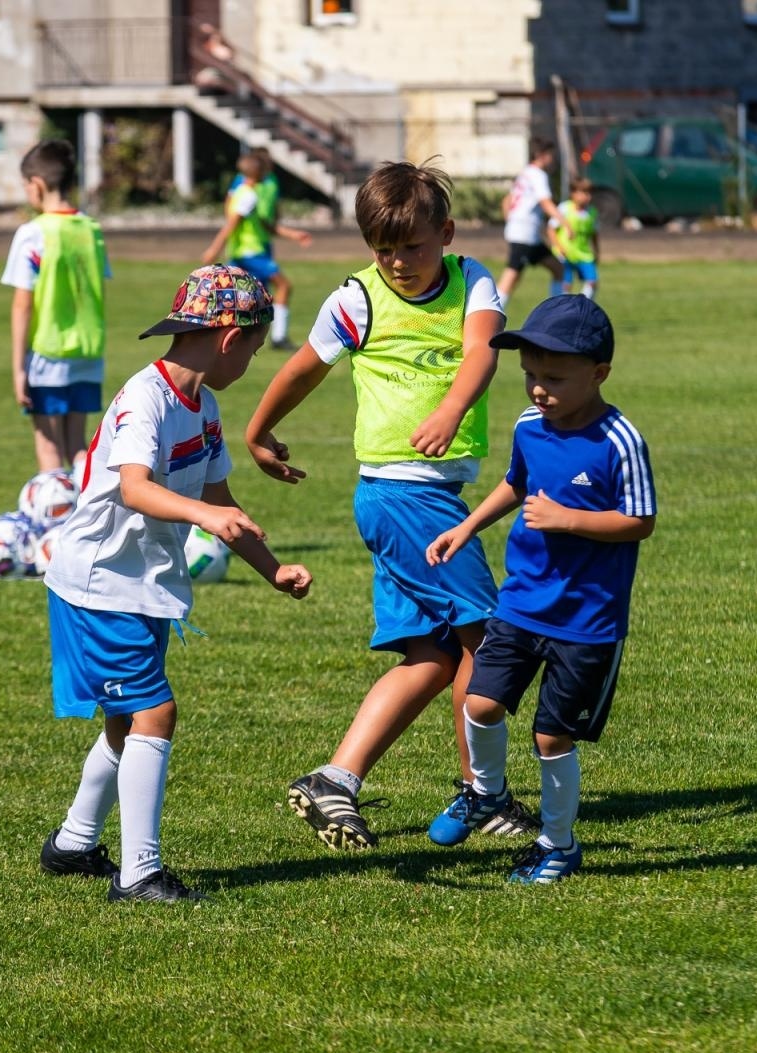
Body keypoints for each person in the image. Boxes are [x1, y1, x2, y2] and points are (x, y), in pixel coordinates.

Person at [246, 160, 515, 851]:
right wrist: (258, 431)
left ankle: (335, 779)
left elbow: (482, 353)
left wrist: (453, 407)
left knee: (432, 658)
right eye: (383, 248)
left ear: (446, 234)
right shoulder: (356, 299)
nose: (397, 262)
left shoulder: (473, 282)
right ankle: (483, 795)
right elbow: (304, 366)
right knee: (485, 643)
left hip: (420, 496)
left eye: (412, 246)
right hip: (403, 494)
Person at [39, 265, 313, 902]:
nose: (250, 360)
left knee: (125, 721)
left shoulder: (204, 408)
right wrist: (204, 517)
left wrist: (273, 569)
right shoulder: (146, 399)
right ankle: (140, 874)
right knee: (155, 713)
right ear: (229, 338)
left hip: (141, 586)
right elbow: (136, 488)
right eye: (253, 348)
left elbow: (220, 500)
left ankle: (73, 843)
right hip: (99, 582)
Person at [426, 295, 655, 883]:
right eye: (530, 374)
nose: (537, 389)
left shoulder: (620, 440)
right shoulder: (529, 426)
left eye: (554, 378)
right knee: (480, 704)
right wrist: (467, 526)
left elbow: (640, 521)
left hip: (587, 621)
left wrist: (569, 520)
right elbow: (515, 483)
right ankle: (485, 792)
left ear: (598, 373)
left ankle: (557, 844)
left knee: (551, 738)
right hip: (521, 603)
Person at [3, 140, 110, 475]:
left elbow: (22, 304)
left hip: (48, 352)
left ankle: (55, 507)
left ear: (37, 184)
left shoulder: (33, 233)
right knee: (77, 444)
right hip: (89, 351)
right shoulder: (91, 229)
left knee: (48, 444)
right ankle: (90, 504)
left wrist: (18, 368)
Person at [200, 153, 311, 350]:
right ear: (259, 172)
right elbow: (232, 224)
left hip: (247, 252)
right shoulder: (248, 196)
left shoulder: (242, 193)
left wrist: (293, 235)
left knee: (245, 298)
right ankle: (278, 338)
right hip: (250, 252)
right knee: (283, 286)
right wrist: (214, 249)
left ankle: (229, 338)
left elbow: (264, 225)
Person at [497, 138, 566, 310]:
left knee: (558, 268)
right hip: (524, 234)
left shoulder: (525, 173)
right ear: (541, 155)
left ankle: (556, 311)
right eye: (551, 155)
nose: (553, 159)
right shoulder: (538, 175)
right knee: (512, 273)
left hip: (526, 234)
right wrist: (564, 222)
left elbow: (506, 201)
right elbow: (545, 202)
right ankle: (492, 312)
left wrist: (511, 221)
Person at [548, 177, 600, 302]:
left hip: (584, 253)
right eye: (584, 193)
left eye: (589, 193)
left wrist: (596, 251)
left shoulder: (592, 212)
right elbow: (551, 229)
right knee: (565, 284)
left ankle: (583, 304)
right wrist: (558, 247)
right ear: (573, 194)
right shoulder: (565, 208)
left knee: (593, 281)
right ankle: (559, 305)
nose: (587, 197)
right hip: (565, 253)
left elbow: (594, 234)